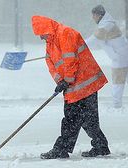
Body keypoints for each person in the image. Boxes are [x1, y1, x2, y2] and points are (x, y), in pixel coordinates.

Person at [31, 15, 110, 159]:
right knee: (88, 118)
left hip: (84, 81)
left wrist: (66, 80)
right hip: (75, 84)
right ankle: (100, 146)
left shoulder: (65, 33)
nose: (40, 38)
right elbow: (50, 63)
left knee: (71, 119)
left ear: (46, 29)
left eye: (41, 34)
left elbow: (70, 60)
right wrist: (60, 81)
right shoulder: (51, 42)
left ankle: (61, 149)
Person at [85, 5, 128, 111]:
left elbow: (95, 38)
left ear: (99, 15)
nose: (93, 18)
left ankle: (116, 105)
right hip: (124, 53)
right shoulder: (107, 23)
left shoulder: (106, 25)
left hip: (120, 55)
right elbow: (97, 42)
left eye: (93, 15)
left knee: (118, 80)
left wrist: (80, 44)